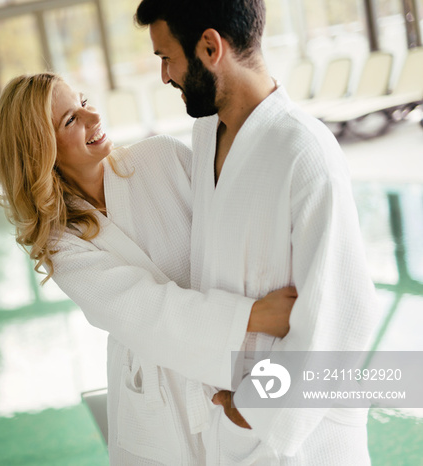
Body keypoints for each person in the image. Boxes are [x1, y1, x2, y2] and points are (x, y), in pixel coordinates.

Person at [0, 72, 298, 464]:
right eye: (70, 120)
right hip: (159, 401)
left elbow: (239, 233)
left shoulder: (163, 157)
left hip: (235, 363)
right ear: (40, 150)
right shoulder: (61, 241)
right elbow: (144, 310)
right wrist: (252, 316)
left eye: (84, 102)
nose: (93, 117)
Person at [135, 0, 379, 464]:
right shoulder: (208, 134)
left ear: (210, 47)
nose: (165, 75)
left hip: (303, 442)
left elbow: (344, 316)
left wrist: (256, 405)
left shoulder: (305, 153)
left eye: (167, 57)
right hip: (231, 428)